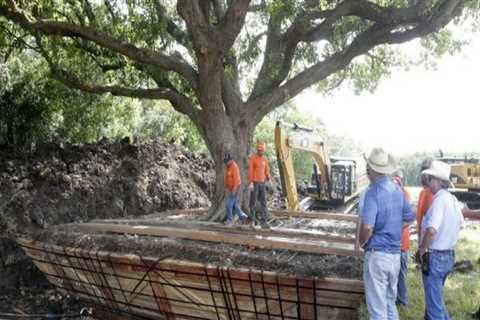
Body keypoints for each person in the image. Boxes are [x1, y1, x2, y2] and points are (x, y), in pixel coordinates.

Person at [359, 148, 414, 320]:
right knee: (389, 302)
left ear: (372, 169)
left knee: (377, 309)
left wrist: (362, 242)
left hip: (378, 256)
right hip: (395, 255)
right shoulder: (397, 190)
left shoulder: (372, 193)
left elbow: (367, 226)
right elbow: (410, 217)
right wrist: (394, 229)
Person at [417, 160, 464, 320]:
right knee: (436, 301)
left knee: (434, 308)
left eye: (429, 178)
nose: (427, 181)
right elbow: (460, 225)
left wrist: (422, 250)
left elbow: (431, 230)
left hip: (435, 256)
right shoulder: (453, 200)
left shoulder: (439, 201)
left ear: (436, 180)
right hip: (448, 255)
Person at [391, 169, 412, 306]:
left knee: (399, 273)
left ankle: (402, 300)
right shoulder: (402, 193)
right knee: (396, 273)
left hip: (400, 242)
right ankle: (397, 299)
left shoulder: (404, 194)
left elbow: (408, 218)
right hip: (396, 242)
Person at [248, 141, 271, 228]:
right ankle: (253, 221)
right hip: (255, 183)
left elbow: (266, 170)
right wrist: (250, 183)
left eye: (262, 150)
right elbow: (250, 171)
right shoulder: (253, 158)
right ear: (257, 150)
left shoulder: (264, 159)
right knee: (253, 202)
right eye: (259, 150)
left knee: (264, 202)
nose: (261, 152)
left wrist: (268, 178)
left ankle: (264, 222)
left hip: (262, 183)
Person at [223, 153, 248, 226]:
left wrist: (234, 190)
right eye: (225, 161)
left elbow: (236, 181)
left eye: (227, 161)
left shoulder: (234, 167)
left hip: (236, 188)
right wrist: (226, 188)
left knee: (228, 205)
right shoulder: (228, 167)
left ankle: (230, 220)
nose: (225, 163)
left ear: (231, 160)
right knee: (235, 205)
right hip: (230, 188)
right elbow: (227, 178)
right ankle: (243, 216)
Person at [417, 158, 434, 242]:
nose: (423, 174)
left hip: (429, 242)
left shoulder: (432, 194)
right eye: (423, 170)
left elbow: (430, 223)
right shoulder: (422, 193)